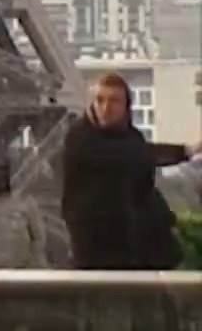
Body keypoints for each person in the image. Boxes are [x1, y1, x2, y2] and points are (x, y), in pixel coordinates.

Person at [62, 73, 196, 269]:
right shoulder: (80, 138)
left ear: (126, 106)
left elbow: (143, 185)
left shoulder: (132, 137)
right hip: (99, 253)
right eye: (100, 100)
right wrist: (185, 151)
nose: (106, 108)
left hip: (136, 250)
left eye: (114, 101)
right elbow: (132, 155)